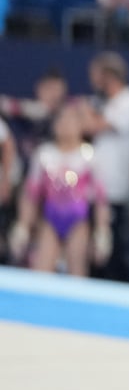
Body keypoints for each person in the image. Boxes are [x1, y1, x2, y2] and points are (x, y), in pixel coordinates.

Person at [9, 103, 111, 277]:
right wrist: (23, 225)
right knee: (42, 269)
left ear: (81, 126)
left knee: (77, 270)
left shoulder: (89, 156)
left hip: (77, 220)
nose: (65, 125)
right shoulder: (44, 153)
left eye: (71, 120)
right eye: (61, 120)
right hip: (50, 219)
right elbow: (31, 194)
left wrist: (102, 231)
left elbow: (101, 198)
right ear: (54, 125)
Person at [79, 52, 129, 281]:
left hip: (114, 189)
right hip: (92, 187)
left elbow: (93, 126)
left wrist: (82, 110)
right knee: (92, 250)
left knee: (112, 251)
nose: (92, 80)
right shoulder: (104, 102)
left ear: (108, 76)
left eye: (95, 75)